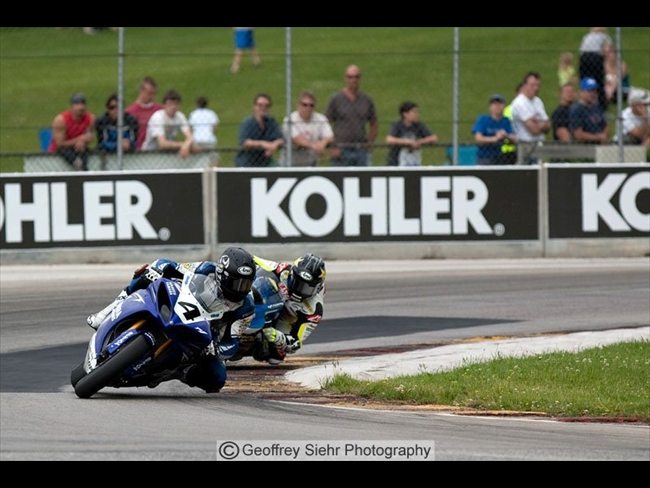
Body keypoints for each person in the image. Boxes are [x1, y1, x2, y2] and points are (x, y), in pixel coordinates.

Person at [86, 247, 256, 393]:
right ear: (222, 275)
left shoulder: (247, 307)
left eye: (247, 284)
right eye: (238, 283)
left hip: (208, 336)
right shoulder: (206, 269)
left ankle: (180, 372)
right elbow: (174, 267)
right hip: (185, 308)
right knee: (143, 274)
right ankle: (108, 311)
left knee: (218, 378)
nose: (242, 289)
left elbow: (232, 342)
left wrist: (217, 350)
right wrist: (157, 269)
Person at [247, 253, 326, 365]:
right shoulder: (283, 270)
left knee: (275, 357)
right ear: (292, 274)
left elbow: (296, 344)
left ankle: (260, 338)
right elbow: (252, 259)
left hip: (286, 318)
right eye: (297, 282)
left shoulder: (314, 310)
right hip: (269, 302)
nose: (299, 290)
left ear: (317, 288)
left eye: (306, 288)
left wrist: (278, 337)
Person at [326, 65, 378, 166]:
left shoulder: (366, 100)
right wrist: (332, 146)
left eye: (356, 77)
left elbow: (374, 124)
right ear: (345, 79)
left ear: (360, 78)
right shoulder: (336, 99)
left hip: (360, 150)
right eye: (350, 77)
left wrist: (369, 143)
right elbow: (326, 124)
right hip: (341, 149)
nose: (353, 80)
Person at [282, 91, 334, 166]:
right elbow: (297, 139)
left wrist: (322, 143)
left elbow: (330, 136)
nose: (308, 108)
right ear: (298, 105)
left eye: (311, 105)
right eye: (304, 105)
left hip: (312, 163)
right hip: (290, 163)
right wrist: (315, 146)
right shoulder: (290, 119)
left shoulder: (320, 118)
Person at [142, 89, 198, 158]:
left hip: (167, 154)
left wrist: (187, 145)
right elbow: (162, 144)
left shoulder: (180, 116)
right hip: (149, 153)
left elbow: (190, 136)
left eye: (176, 104)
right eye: (170, 104)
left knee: (196, 147)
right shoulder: (158, 117)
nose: (173, 107)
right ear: (164, 105)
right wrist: (184, 145)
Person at [47, 93, 96, 171]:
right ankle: (78, 165)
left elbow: (90, 136)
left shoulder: (90, 118)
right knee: (64, 150)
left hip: (79, 147)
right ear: (72, 107)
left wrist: (82, 141)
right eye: (77, 105)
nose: (81, 108)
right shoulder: (61, 120)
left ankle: (83, 169)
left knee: (84, 150)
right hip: (62, 150)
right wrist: (79, 139)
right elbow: (60, 144)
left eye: (82, 105)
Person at [511, 71, 551, 163]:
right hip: (525, 146)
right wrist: (541, 124)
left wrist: (537, 123)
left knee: (542, 170)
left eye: (538, 85)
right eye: (532, 85)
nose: (536, 88)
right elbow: (533, 130)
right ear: (525, 85)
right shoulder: (519, 103)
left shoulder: (538, 101)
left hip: (540, 146)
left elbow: (548, 126)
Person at [235, 93, 284, 167]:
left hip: (265, 162)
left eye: (266, 106)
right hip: (247, 163)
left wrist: (274, 145)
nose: (263, 108)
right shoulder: (248, 123)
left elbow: (281, 139)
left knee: (278, 168)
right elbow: (245, 142)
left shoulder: (271, 122)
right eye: (260, 105)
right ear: (254, 107)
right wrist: (263, 144)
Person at [385, 101, 438, 166]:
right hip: (396, 163)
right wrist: (407, 142)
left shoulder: (419, 125)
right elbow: (389, 139)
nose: (417, 114)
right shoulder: (397, 125)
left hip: (414, 162)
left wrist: (419, 142)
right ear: (405, 114)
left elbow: (433, 138)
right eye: (414, 112)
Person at [472, 94, 517, 165]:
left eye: (500, 104)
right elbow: (478, 138)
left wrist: (506, 135)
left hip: (502, 157)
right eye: (495, 104)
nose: (497, 107)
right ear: (490, 107)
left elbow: (515, 139)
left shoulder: (506, 121)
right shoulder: (483, 120)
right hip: (485, 157)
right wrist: (495, 138)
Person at [579, 28, 612, 111]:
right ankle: (585, 103)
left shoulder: (604, 36)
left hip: (593, 57)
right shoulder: (588, 36)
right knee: (587, 81)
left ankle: (600, 106)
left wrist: (605, 61)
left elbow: (607, 50)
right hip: (587, 58)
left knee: (597, 82)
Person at [126, 76, 163, 150]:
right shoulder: (130, 112)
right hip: (138, 150)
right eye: (149, 93)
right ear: (141, 91)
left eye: (154, 94)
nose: (152, 97)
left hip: (157, 149)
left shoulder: (160, 110)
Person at [569, 77, 608, 144]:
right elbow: (578, 135)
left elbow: (605, 126)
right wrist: (598, 137)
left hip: (601, 144)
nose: (593, 94)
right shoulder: (576, 110)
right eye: (589, 91)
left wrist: (604, 136)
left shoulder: (597, 107)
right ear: (581, 92)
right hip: (585, 146)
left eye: (595, 91)